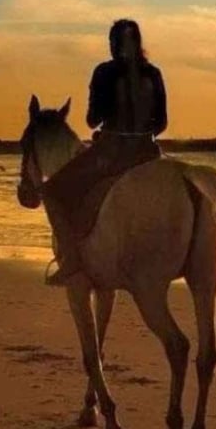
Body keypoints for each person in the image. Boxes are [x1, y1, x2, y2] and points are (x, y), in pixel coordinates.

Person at [40, 19, 168, 285]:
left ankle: (72, 257)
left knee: (51, 191)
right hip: (148, 153)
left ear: (113, 44)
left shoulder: (104, 72)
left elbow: (92, 120)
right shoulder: (153, 73)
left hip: (111, 153)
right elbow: (162, 124)